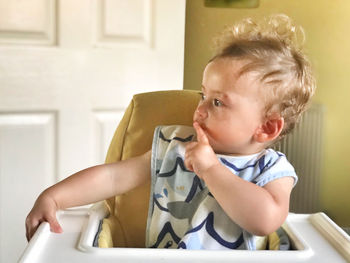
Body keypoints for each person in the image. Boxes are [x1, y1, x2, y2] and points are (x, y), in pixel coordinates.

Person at [26, 14, 315, 250]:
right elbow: (114, 176)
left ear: (266, 127)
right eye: (203, 95)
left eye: (217, 102)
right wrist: (55, 197)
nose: (199, 109)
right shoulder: (176, 145)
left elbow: (265, 221)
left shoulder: (273, 170)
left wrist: (211, 169)